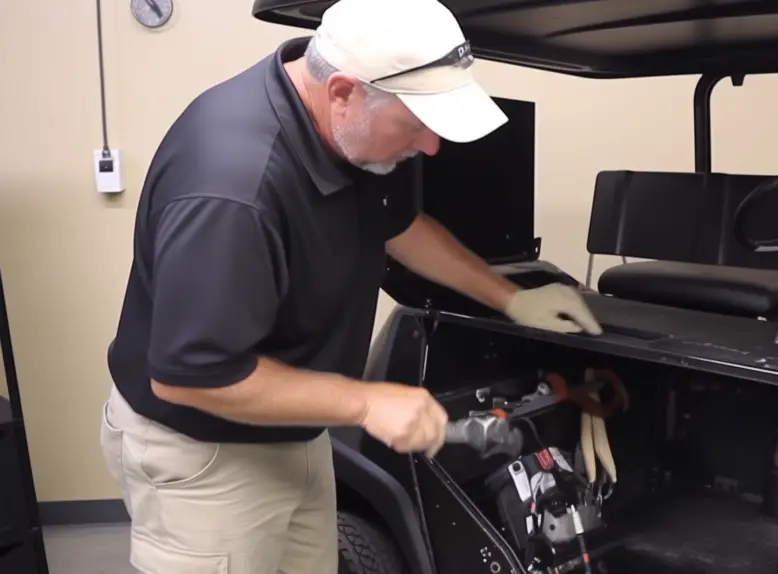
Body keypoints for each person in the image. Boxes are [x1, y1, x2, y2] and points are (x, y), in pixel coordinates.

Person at [97, 0, 602, 572]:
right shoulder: (232, 187)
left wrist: (512, 297)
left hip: (295, 427)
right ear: (342, 91)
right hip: (203, 452)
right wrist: (365, 401)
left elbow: (401, 226)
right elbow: (190, 376)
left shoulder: (365, 131)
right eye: (416, 126)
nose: (431, 147)